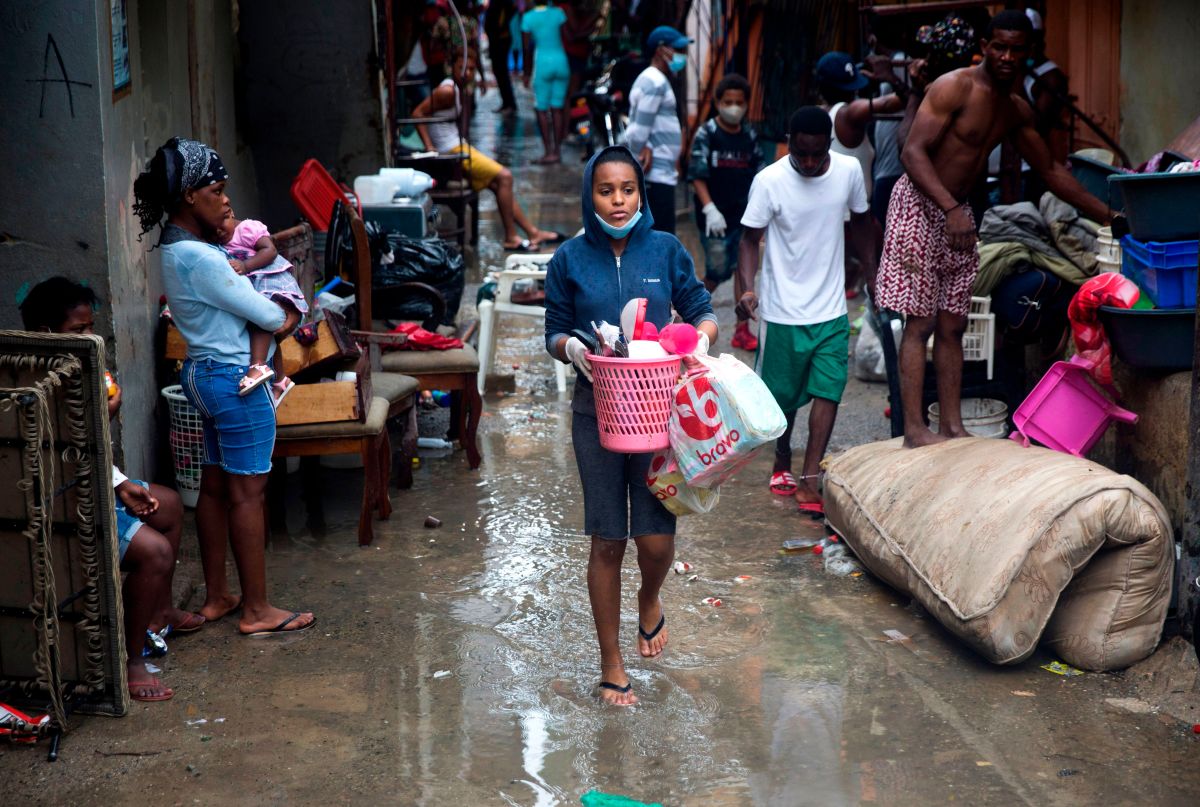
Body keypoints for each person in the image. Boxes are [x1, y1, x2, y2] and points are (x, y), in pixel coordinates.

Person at [877, 10, 1110, 449]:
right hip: (922, 207)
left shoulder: (1015, 108)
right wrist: (949, 208)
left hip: (959, 216)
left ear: (1028, 52)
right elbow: (912, 152)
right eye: (998, 46)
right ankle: (913, 430)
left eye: (1016, 49)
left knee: (953, 324)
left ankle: (952, 427)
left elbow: (1053, 172)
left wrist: (1110, 216)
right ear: (984, 46)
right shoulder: (954, 87)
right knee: (920, 323)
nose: (1006, 56)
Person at [545, 145, 717, 706]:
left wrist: (698, 343)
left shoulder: (665, 250)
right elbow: (553, 329)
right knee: (607, 540)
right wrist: (572, 348)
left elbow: (701, 308)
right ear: (589, 195)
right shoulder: (569, 259)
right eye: (605, 190)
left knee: (655, 538)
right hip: (595, 415)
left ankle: (650, 598)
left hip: (657, 414)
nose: (617, 202)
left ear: (641, 193)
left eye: (627, 190)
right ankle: (611, 663)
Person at [133, 137, 316, 637]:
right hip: (236, 379)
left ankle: (219, 595)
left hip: (201, 374)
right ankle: (257, 611)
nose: (227, 198)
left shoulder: (175, 247)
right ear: (191, 196)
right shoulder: (206, 259)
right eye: (217, 189)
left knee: (213, 487)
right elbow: (271, 315)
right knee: (249, 493)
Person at [20, 277, 198, 703]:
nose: (89, 338)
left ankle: (160, 612)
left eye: (90, 327)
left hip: (98, 481)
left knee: (170, 504)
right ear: (46, 333)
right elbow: (65, 458)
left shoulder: (84, 369)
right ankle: (132, 659)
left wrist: (118, 481)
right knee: (155, 551)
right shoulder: (37, 383)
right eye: (78, 331)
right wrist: (104, 422)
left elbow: (95, 454)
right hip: (66, 500)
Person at [735, 107, 874, 516]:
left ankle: (810, 477)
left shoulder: (848, 172)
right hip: (781, 312)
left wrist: (873, 273)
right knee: (783, 399)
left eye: (817, 154)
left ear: (828, 144)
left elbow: (863, 224)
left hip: (831, 310)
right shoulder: (770, 181)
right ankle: (782, 458)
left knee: (828, 390)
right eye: (801, 154)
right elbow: (748, 239)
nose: (810, 163)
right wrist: (746, 288)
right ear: (790, 145)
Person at [413, 48, 565, 251]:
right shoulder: (448, 91)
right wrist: (430, 147)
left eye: (471, 69)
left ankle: (532, 232)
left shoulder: (458, 88)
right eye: (462, 68)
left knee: (497, 183)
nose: (467, 73)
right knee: (505, 177)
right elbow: (417, 113)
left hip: (457, 146)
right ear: (452, 68)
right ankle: (511, 237)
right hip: (450, 149)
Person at [816, 51, 906, 297]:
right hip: (854, 220)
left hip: (831, 216)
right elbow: (900, 101)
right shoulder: (850, 113)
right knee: (884, 283)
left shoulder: (822, 114)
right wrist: (891, 78)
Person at [687, 72, 764, 351]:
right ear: (718, 102)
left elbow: (759, 173)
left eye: (739, 102)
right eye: (728, 101)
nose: (734, 107)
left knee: (742, 271)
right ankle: (686, 312)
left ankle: (742, 328)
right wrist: (709, 208)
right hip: (714, 218)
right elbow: (696, 174)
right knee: (718, 270)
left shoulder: (748, 135)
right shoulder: (707, 133)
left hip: (742, 214)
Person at [216, 214, 308, 406]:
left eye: (222, 222)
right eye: (212, 227)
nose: (218, 229)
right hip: (254, 283)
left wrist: (245, 265)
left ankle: (258, 365)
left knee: (261, 317)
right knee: (269, 338)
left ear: (231, 214)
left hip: (271, 279)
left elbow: (270, 250)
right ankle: (280, 380)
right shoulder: (214, 242)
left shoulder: (245, 229)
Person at [623, 25, 691, 234]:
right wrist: (643, 148)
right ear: (661, 50)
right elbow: (640, 127)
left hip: (661, 171)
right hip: (655, 174)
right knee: (660, 237)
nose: (682, 55)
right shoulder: (654, 82)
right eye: (677, 49)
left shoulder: (656, 80)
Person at [521, 0, 570, 164]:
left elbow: (526, 47)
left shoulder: (528, 18)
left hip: (542, 63)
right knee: (557, 107)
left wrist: (526, 73)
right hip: (561, 61)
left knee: (541, 108)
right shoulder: (558, 13)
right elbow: (566, 36)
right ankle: (557, 151)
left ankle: (548, 151)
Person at [484, 0, 518, 113]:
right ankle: (506, 102)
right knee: (499, 71)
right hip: (497, 38)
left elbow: (512, 9)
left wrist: (501, 26)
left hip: (500, 39)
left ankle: (509, 103)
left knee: (501, 71)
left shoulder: (502, 4)